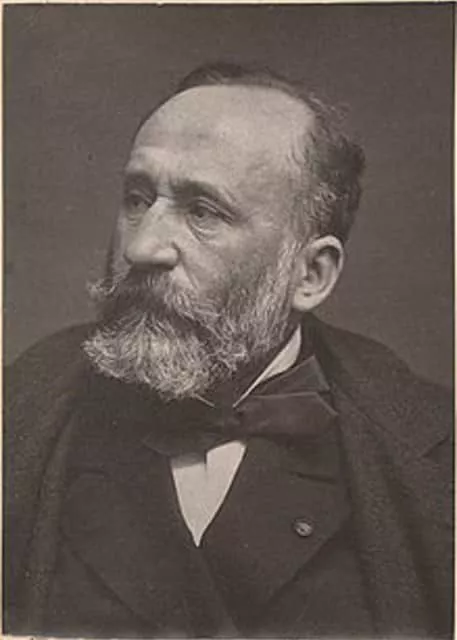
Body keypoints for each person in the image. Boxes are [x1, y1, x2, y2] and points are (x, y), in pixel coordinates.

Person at [4, 63, 453, 639]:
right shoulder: (19, 414)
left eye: (203, 212)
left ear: (310, 275)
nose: (141, 248)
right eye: (138, 199)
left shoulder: (435, 460)